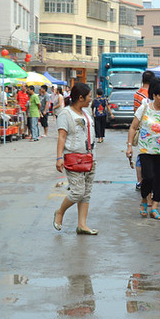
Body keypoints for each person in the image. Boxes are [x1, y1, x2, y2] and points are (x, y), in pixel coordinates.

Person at [126, 81, 160, 220]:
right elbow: (132, 127)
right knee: (148, 177)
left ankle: (154, 207)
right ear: (154, 95)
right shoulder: (144, 108)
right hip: (146, 150)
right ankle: (144, 199)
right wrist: (129, 145)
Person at [54, 82, 97, 234]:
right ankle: (60, 212)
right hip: (73, 158)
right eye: (89, 96)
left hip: (90, 158)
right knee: (77, 192)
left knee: (86, 193)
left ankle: (82, 225)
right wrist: (59, 157)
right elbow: (62, 136)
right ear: (80, 98)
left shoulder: (86, 113)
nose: (91, 99)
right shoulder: (65, 114)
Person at [132, 70, 155, 190]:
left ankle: (139, 180)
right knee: (144, 155)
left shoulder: (137, 93)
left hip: (139, 124)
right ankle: (143, 181)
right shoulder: (147, 96)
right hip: (146, 126)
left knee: (141, 154)